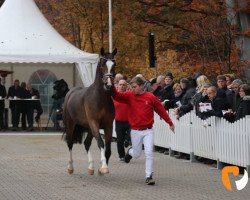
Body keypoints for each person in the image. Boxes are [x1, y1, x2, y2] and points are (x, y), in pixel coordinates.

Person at [112, 76, 175, 185]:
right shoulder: (129, 95)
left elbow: (161, 110)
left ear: (141, 86)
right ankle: (130, 152)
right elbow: (117, 96)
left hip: (148, 130)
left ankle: (148, 176)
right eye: (131, 87)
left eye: (134, 87)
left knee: (149, 152)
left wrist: (170, 122)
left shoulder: (150, 97)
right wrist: (111, 86)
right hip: (135, 131)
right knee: (136, 154)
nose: (132, 89)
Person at [112, 79, 131, 161]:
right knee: (119, 140)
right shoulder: (114, 97)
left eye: (124, 85)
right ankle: (122, 156)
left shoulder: (129, 95)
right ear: (117, 86)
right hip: (119, 121)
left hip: (129, 121)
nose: (122, 86)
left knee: (131, 134)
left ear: (126, 86)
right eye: (120, 84)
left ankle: (127, 140)